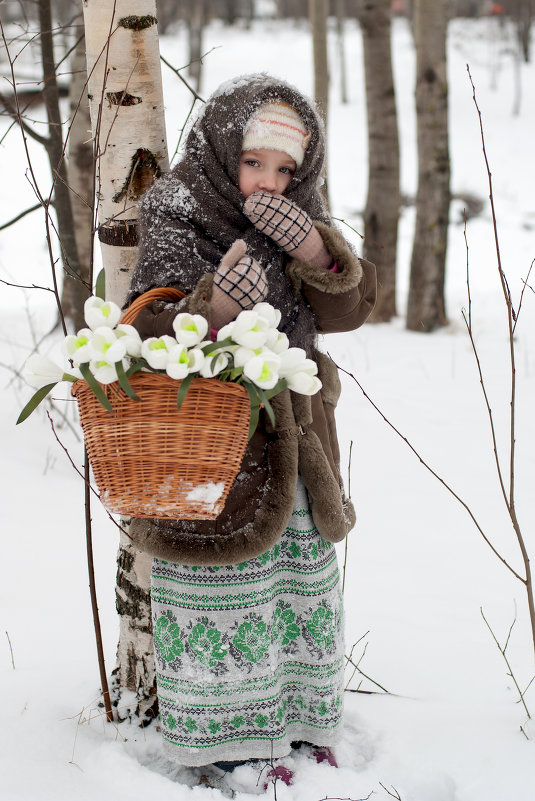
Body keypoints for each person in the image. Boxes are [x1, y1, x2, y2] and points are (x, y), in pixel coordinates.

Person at [125, 74, 376, 788]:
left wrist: (319, 258)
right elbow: (144, 330)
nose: (268, 180)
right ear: (222, 149)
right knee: (224, 584)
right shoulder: (178, 208)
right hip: (213, 445)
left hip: (298, 439)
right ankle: (229, 747)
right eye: (253, 161)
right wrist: (214, 311)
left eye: (285, 168)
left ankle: (297, 722)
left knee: (298, 582)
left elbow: (351, 307)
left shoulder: (301, 215)